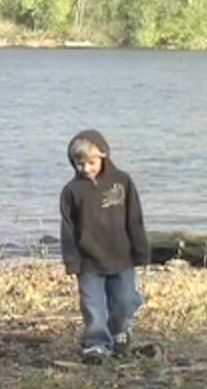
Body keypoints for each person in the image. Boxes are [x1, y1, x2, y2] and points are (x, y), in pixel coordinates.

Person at [59, 129, 150, 364]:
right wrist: (72, 261)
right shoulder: (72, 191)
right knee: (93, 307)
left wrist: (141, 250)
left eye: (91, 162)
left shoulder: (122, 182)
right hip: (88, 260)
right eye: (80, 164)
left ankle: (120, 332)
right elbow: (68, 229)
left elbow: (135, 218)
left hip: (122, 255)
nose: (86, 168)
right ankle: (96, 344)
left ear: (104, 156)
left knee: (126, 300)